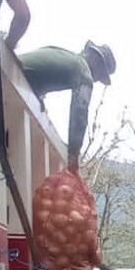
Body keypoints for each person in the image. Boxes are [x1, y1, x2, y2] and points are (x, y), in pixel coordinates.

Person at [19, 42, 115, 173]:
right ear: (96, 60)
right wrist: (73, 157)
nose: (95, 80)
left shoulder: (63, 55)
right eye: (99, 75)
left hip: (12, 69)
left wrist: (38, 98)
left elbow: (37, 72)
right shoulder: (82, 69)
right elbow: (80, 113)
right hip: (14, 77)